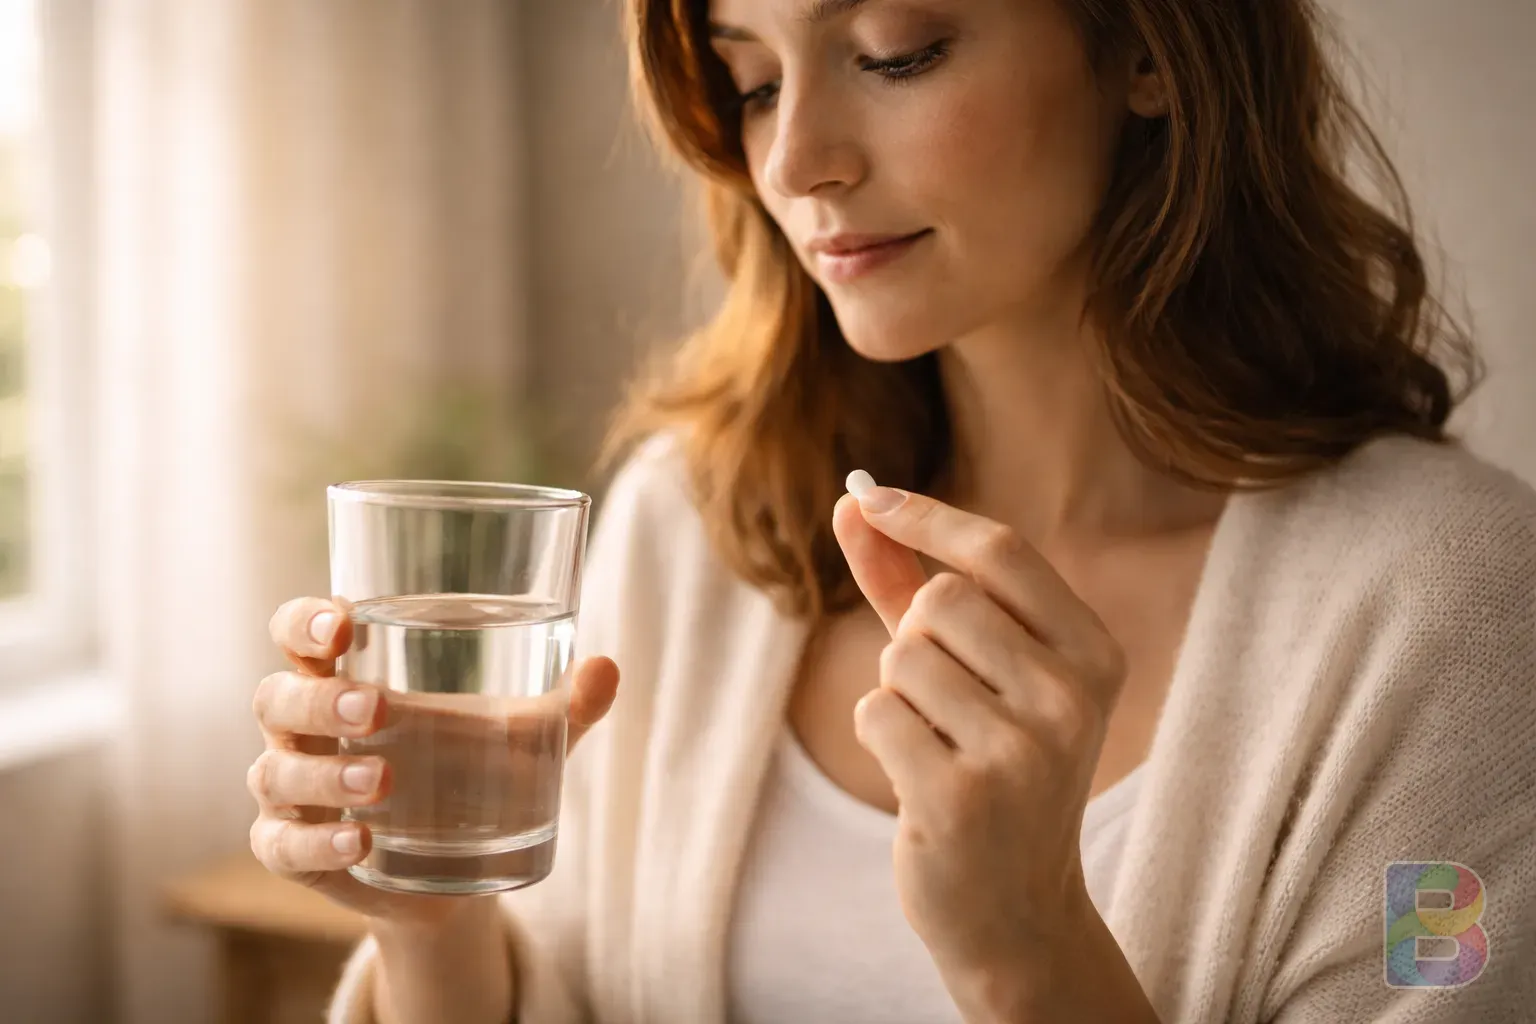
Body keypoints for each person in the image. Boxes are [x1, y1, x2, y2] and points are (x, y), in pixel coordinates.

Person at [248, 0, 1536, 1021]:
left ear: (1148, 44)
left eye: (895, 53)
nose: (797, 160)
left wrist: (1032, 958)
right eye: (752, 82)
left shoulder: (1460, 611)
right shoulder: (685, 536)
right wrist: (435, 930)